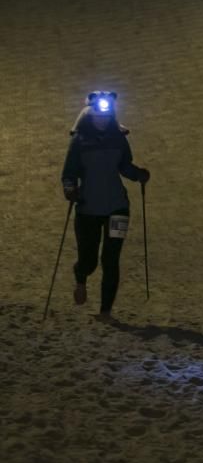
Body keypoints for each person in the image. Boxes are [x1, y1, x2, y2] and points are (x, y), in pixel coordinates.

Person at [61, 92, 150, 320]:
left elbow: (124, 166)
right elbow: (69, 173)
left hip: (117, 207)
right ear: (89, 115)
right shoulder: (79, 141)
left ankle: (105, 311)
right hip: (88, 208)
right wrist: (70, 190)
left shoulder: (119, 138)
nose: (102, 120)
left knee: (111, 260)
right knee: (89, 259)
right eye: (98, 116)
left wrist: (138, 174)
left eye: (106, 116)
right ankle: (81, 278)